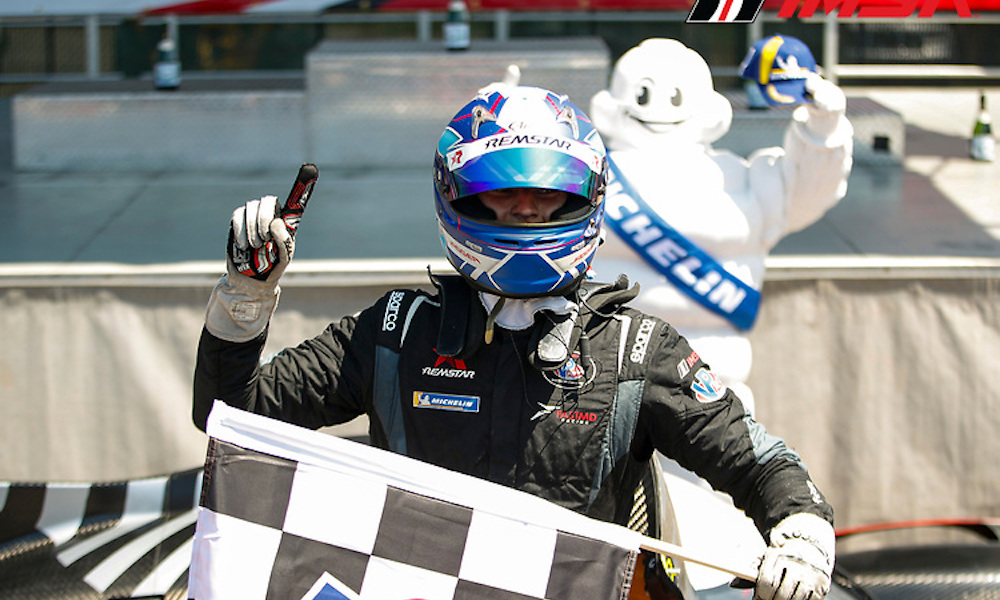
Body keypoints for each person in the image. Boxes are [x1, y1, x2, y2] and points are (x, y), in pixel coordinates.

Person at [193, 85, 835, 600]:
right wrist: (246, 295)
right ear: (457, 198)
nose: (525, 214)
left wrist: (802, 534)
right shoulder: (395, 331)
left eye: (547, 198)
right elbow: (229, 412)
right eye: (502, 196)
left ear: (588, 197)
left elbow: (764, 465)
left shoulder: (637, 350)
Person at [589, 37, 853, 416]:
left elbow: (810, 189)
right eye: (644, 94)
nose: (661, 106)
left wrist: (823, 130)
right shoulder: (585, 173)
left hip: (710, 387)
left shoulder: (744, 180)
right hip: (601, 381)